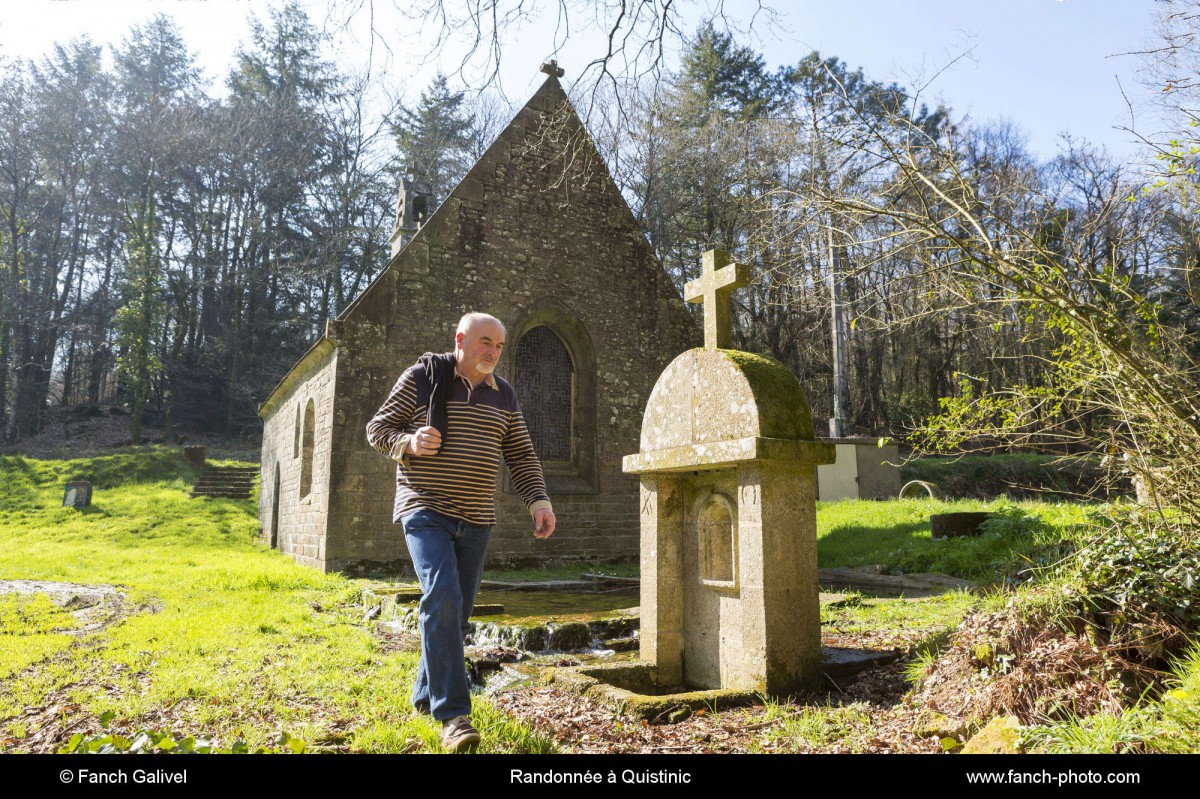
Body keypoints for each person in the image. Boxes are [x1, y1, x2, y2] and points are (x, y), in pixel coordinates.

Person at [365, 312, 556, 752]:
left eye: (499, 346)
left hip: (476, 517)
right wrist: (408, 443)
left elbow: (521, 454)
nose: (492, 352)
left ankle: (422, 695)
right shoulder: (423, 378)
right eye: (485, 342)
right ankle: (453, 716)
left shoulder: (504, 394)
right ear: (461, 341)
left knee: (456, 610)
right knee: (443, 594)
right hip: (424, 507)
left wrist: (539, 500)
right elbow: (378, 429)